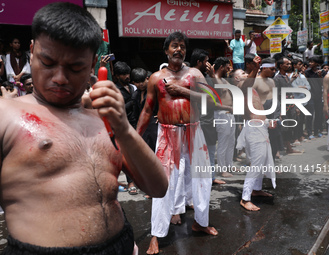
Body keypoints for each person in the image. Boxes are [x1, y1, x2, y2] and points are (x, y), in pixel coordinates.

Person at [0, 3, 167, 254]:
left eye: (75, 67)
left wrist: (122, 126)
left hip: (120, 243)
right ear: (32, 51)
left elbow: (158, 187)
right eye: (47, 62)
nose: (59, 77)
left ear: (92, 65)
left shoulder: (105, 119)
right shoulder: (6, 114)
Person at [136, 31, 219, 255]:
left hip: (194, 132)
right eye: (174, 46)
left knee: (202, 179)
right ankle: (156, 234)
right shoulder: (156, 77)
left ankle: (200, 222)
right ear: (166, 50)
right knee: (164, 184)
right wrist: (135, 137)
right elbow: (146, 110)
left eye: (182, 46)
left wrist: (182, 90)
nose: (179, 50)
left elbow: (212, 100)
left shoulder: (194, 74)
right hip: (167, 134)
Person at [232, 56, 277, 211]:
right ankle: (245, 198)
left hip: (261, 127)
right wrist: (256, 67)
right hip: (253, 128)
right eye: (243, 74)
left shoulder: (251, 88)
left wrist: (267, 121)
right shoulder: (241, 88)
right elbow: (249, 81)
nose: (247, 75)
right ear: (237, 78)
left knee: (262, 160)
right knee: (256, 162)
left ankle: (256, 189)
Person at [190, 48, 226, 184]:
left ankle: (210, 177)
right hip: (198, 120)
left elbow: (220, 92)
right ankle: (200, 179)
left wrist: (212, 75)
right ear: (199, 62)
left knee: (210, 149)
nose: (209, 64)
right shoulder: (192, 76)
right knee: (197, 152)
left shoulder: (206, 77)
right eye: (206, 61)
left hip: (208, 120)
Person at [113, 61, 139, 195]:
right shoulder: (115, 90)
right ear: (117, 76)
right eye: (123, 74)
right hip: (123, 126)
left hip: (136, 123)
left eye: (128, 73)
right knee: (126, 155)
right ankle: (131, 182)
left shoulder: (133, 87)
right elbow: (118, 109)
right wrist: (132, 102)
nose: (127, 76)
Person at [213, 57, 236, 177]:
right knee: (223, 143)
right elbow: (214, 102)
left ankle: (229, 165)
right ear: (221, 67)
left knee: (231, 142)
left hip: (230, 115)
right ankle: (222, 169)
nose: (229, 69)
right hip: (222, 115)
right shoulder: (215, 80)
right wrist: (228, 108)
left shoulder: (224, 80)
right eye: (227, 67)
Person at [305, 55, 326, 139]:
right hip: (310, 95)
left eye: (312, 62)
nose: (310, 63)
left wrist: (320, 76)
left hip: (319, 95)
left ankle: (318, 131)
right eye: (309, 62)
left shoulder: (322, 72)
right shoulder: (307, 72)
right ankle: (310, 132)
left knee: (319, 114)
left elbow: (323, 84)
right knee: (310, 114)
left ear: (316, 63)